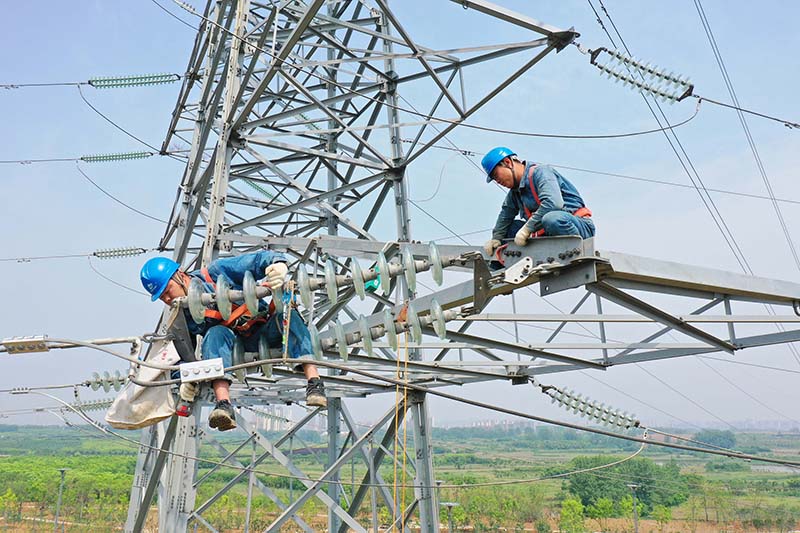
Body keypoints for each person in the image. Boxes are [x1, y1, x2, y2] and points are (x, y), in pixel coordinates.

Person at [140, 251, 327, 432]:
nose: (167, 299)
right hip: (234, 346)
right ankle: (223, 405)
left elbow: (255, 260)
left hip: (266, 329)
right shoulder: (183, 318)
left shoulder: (215, 274)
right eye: (161, 297)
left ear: (179, 275)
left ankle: (314, 384)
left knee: (289, 315)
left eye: (167, 290)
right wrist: (185, 381)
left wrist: (276, 264)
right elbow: (181, 357)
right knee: (215, 333)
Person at [480, 147, 595, 259]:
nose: (498, 181)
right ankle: (498, 270)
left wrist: (527, 229)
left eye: (496, 175)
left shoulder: (541, 172)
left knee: (552, 218)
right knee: (510, 228)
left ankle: (575, 254)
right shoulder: (515, 192)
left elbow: (553, 204)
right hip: (549, 234)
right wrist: (496, 239)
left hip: (576, 226)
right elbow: (505, 216)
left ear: (507, 162)